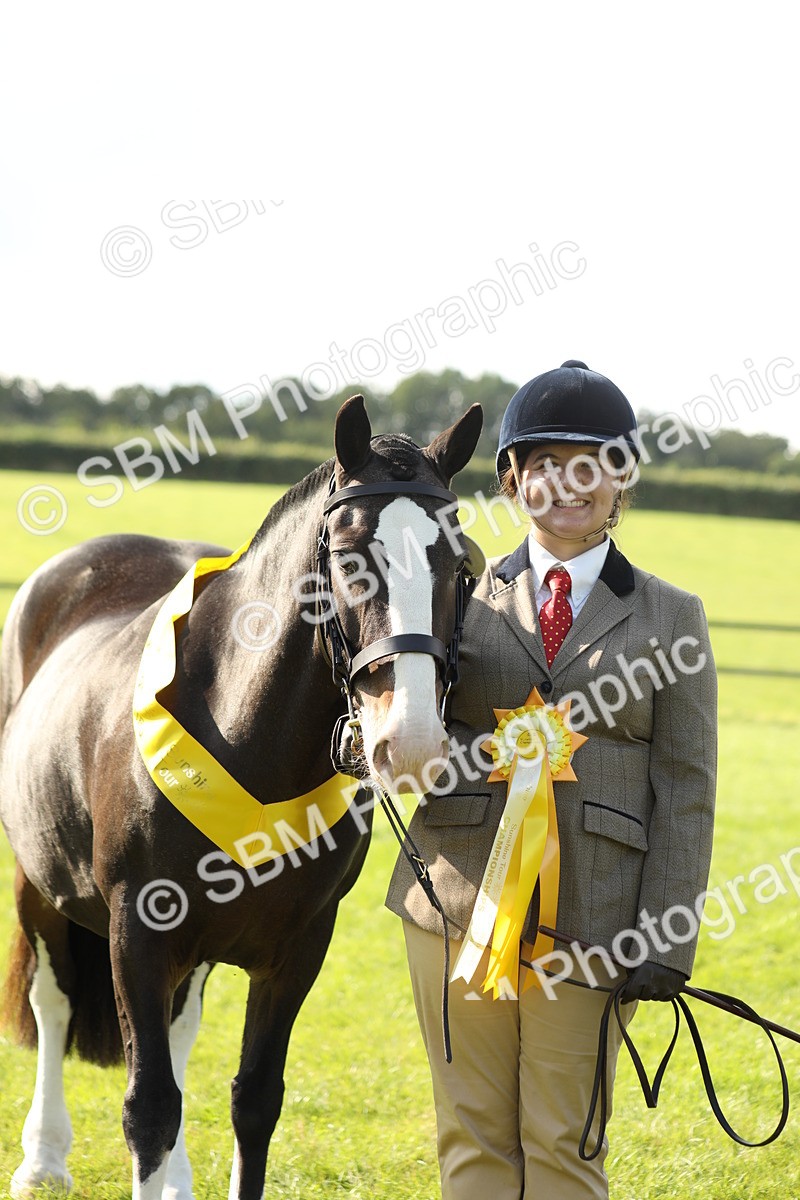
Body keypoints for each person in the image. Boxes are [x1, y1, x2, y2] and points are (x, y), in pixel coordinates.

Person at [385, 360, 717, 1199]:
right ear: (512, 480)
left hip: (598, 919)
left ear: (621, 480)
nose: (568, 484)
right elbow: (395, 713)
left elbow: (686, 787)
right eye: (545, 465)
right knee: (471, 1137)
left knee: (564, 1141)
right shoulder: (455, 593)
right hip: (456, 901)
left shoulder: (673, 615)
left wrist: (667, 936)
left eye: (591, 465)